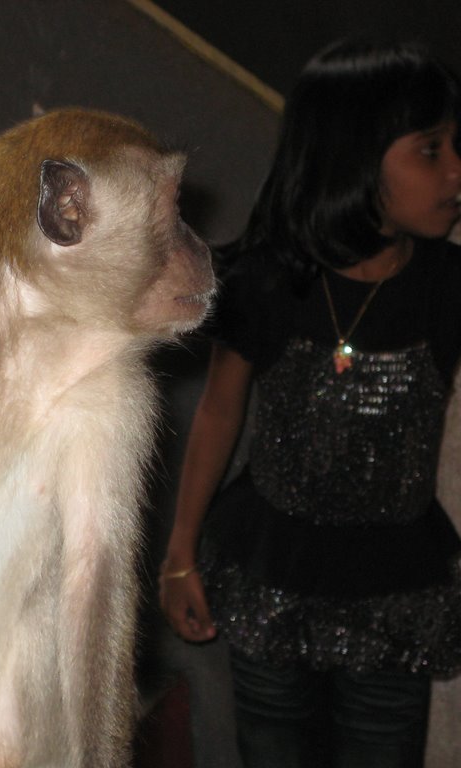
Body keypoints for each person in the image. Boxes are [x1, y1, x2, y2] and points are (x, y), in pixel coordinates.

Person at [160, 38, 461, 768]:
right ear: (354, 158)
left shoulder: (448, 283)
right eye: (429, 150)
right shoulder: (272, 280)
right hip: (272, 578)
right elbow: (221, 412)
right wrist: (180, 553)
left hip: (395, 591)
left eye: (457, 145)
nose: (456, 170)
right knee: (272, 748)